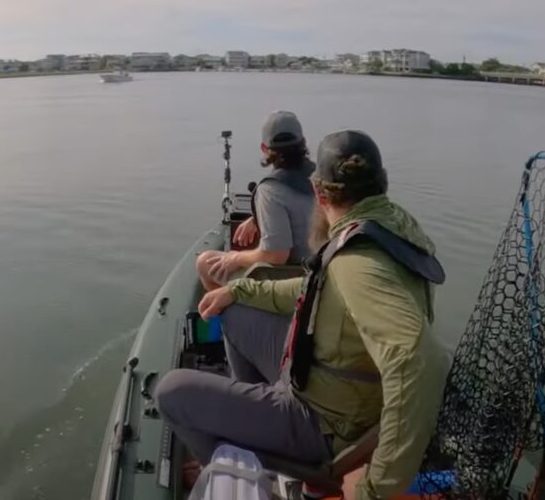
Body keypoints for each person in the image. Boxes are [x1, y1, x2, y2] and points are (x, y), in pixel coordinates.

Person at [156, 130, 447, 500]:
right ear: (380, 186)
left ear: (319, 193)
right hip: (336, 384)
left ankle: (238, 466)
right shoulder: (386, 227)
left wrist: (376, 491)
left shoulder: (358, 264)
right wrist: (242, 289)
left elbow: (417, 362)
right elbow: (316, 288)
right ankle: (253, 427)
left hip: (325, 421)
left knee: (172, 392)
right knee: (233, 312)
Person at [195, 110, 315, 290]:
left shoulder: (270, 190)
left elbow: (276, 256)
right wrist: (256, 218)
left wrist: (235, 257)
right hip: (322, 274)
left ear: (264, 148)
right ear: (303, 142)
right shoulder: (324, 175)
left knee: (205, 262)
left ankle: (229, 313)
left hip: (294, 281)